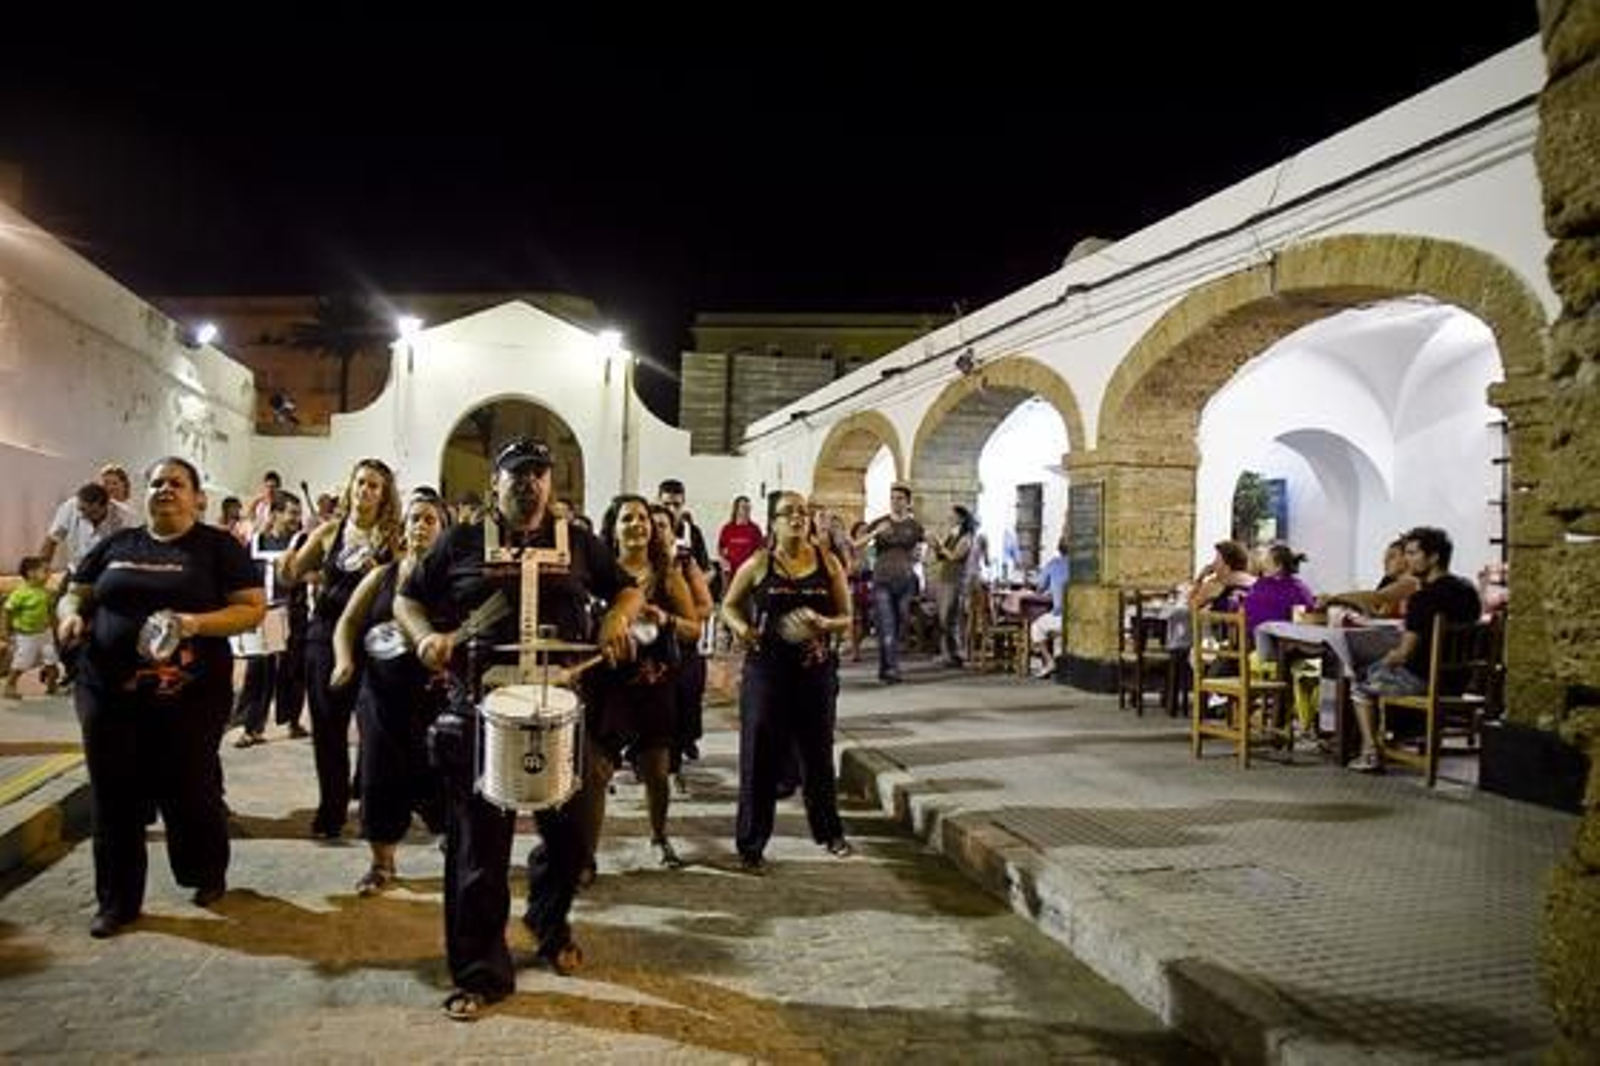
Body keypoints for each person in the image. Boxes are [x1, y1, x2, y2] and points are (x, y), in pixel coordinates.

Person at [394, 437, 643, 1022]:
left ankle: (547, 922)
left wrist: (615, 615)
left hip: (562, 711)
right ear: (495, 485)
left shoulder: (579, 543)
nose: (528, 482)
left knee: (574, 839)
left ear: (550, 484)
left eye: (538, 472)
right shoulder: (458, 541)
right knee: (478, 851)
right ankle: (479, 971)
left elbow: (627, 586)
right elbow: (408, 599)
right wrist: (423, 636)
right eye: (516, 473)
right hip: (480, 712)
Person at [55, 457, 265, 938]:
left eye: (176, 483)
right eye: (156, 483)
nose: (164, 490)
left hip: (188, 696)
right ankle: (117, 901)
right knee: (113, 795)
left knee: (188, 786)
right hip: (107, 692)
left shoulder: (217, 548)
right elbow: (77, 592)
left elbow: (250, 610)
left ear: (196, 497)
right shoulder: (117, 545)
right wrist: (69, 614)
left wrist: (195, 623)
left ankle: (204, 870)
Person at [721, 489, 853, 872]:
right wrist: (743, 628)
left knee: (817, 755)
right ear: (774, 521)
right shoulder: (759, 563)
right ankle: (751, 845)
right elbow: (728, 604)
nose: (797, 518)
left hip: (815, 672)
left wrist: (826, 624)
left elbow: (847, 616)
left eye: (802, 513)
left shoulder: (828, 563)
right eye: (787, 513)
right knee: (759, 757)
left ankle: (830, 831)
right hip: (767, 672)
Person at [331, 488, 451, 896]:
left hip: (437, 697)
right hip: (381, 697)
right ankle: (382, 864)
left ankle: (453, 839)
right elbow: (346, 623)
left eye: (430, 519)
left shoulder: (453, 583)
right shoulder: (381, 575)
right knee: (379, 776)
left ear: (443, 531)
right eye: (414, 518)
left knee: (443, 772)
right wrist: (343, 660)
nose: (420, 525)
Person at [280, 458, 403, 840]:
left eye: (374, 486)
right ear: (349, 488)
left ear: (384, 496)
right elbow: (291, 575)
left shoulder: (393, 538)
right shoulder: (331, 532)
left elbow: (407, 589)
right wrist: (291, 550)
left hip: (374, 639)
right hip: (326, 634)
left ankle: (371, 804)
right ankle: (331, 809)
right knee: (328, 727)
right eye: (361, 483)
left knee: (375, 727)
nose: (365, 491)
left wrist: (378, 574)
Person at [579, 497, 699, 876]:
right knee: (597, 771)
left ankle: (659, 836)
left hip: (652, 681)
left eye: (643, 518)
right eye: (627, 518)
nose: (637, 525)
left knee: (656, 771)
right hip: (607, 682)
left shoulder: (666, 574)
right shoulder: (600, 573)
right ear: (613, 528)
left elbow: (694, 628)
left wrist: (664, 618)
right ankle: (586, 857)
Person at [1347, 526, 1481, 772]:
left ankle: (1370, 752)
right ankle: (1396, 738)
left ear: (1433, 557)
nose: (1407, 560)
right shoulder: (1468, 590)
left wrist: (1388, 657)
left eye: (1413, 553)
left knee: (1359, 682)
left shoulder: (1423, 599)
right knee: (1375, 673)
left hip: (1424, 680)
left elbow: (1403, 654)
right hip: (1459, 680)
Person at [231, 491, 306, 747]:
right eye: (292, 513)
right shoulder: (255, 542)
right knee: (259, 669)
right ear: (275, 514)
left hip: (293, 612)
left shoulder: (302, 540)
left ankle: (293, 721)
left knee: (292, 669)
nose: (297, 518)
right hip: (267, 614)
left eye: (298, 513)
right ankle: (252, 727)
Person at [655, 503, 714, 790]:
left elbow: (706, 606)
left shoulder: (685, 561)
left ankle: (674, 767)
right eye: (651, 524)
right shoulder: (628, 561)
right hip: (644, 652)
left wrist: (676, 617)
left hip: (680, 648)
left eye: (662, 525)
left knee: (681, 714)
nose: (655, 531)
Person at [855, 482, 924, 684]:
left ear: (908, 502)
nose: (895, 502)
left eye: (900, 498)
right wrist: (876, 533)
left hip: (905, 580)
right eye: (893, 498)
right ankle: (891, 669)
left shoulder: (915, 526)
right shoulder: (880, 522)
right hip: (882, 580)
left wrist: (919, 554)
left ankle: (886, 667)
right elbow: (856, 544)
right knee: (886, 625)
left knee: (900, 625)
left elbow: (920, 553)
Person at [39, 482, 131, 576]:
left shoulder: (124, 517)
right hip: (76, 570)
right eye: (82, 510)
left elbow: (130, 553)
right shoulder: (70, 507)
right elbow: (51, 540)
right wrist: (40, 569)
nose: (84, 515)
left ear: (105, 506)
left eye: (92, 512)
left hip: (108, 573)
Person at [1319, 537, 1420, 620]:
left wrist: (1336, 598)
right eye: (1385, 557)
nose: (1385, 561)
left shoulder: (1412, 582)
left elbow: (1377, 597)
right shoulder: (1392, 583)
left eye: (1391, 556)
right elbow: (1379, 615)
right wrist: (1343, 602)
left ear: (1407, 558)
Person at [3, 556, 61, 698]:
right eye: (45, 571)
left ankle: (52, 686)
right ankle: (10, 685)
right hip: (26, 635)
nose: (49, 574)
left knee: (52, 660)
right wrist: (6, 629)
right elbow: (8, 610)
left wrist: (56, 627)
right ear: (31, 573)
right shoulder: (20, 593)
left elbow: (50, 611)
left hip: (45, 633)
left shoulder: (45, 592)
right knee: (23, 662)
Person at [931, 505, 975, 667]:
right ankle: (946, 654)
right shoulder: (953, 534)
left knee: (951, 618)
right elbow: (943, 557)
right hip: (944, 578)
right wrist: (936, 547)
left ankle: (956, 654)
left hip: (955, 580)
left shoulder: (967, 537)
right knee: (942, 619)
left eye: (952, 515)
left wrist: (942, 548)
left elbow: (956, 556)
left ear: (961, 518)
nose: (949, 518)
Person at [1241, 543, 1316, 639]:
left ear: (1278, 567)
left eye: (1267, 561)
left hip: (1272, 642)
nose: (1263, 565)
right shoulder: (1301, 588)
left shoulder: (1264, 586)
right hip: (1290, 642)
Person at [1030, 537, 1071, 679]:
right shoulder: (1082, 566)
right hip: (1080, 618)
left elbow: (1040, 588)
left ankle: (1049, 661)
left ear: (1058, 549)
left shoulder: (1053, 564)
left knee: (1036, 626)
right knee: (1055, 627)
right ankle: (1060, 661)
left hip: (1061, 618)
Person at [717, 495, 764, 597]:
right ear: (736, 509)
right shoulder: (727, 528)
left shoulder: (755, 529)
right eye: (744, 507)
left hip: (748, 575)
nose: (746, 511)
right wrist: (723, 562)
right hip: (731, 574)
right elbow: (721, 550)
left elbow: (760, 551)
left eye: (748, 508)